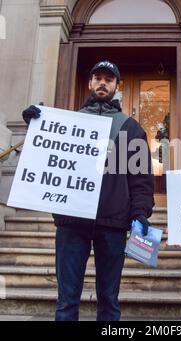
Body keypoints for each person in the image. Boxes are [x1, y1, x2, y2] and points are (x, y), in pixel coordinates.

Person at [22, 60, 154, 321]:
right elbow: (45, 157)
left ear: (117, 86)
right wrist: (35, 126)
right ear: (90, 83)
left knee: (109, 300)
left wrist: (140, 212)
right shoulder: (67, 122)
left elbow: (140, 178)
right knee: (67, 301)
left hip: (113, 223)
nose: (102, 83)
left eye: (109, 79)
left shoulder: (131, 127)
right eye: (98, 78)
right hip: (72, 221)